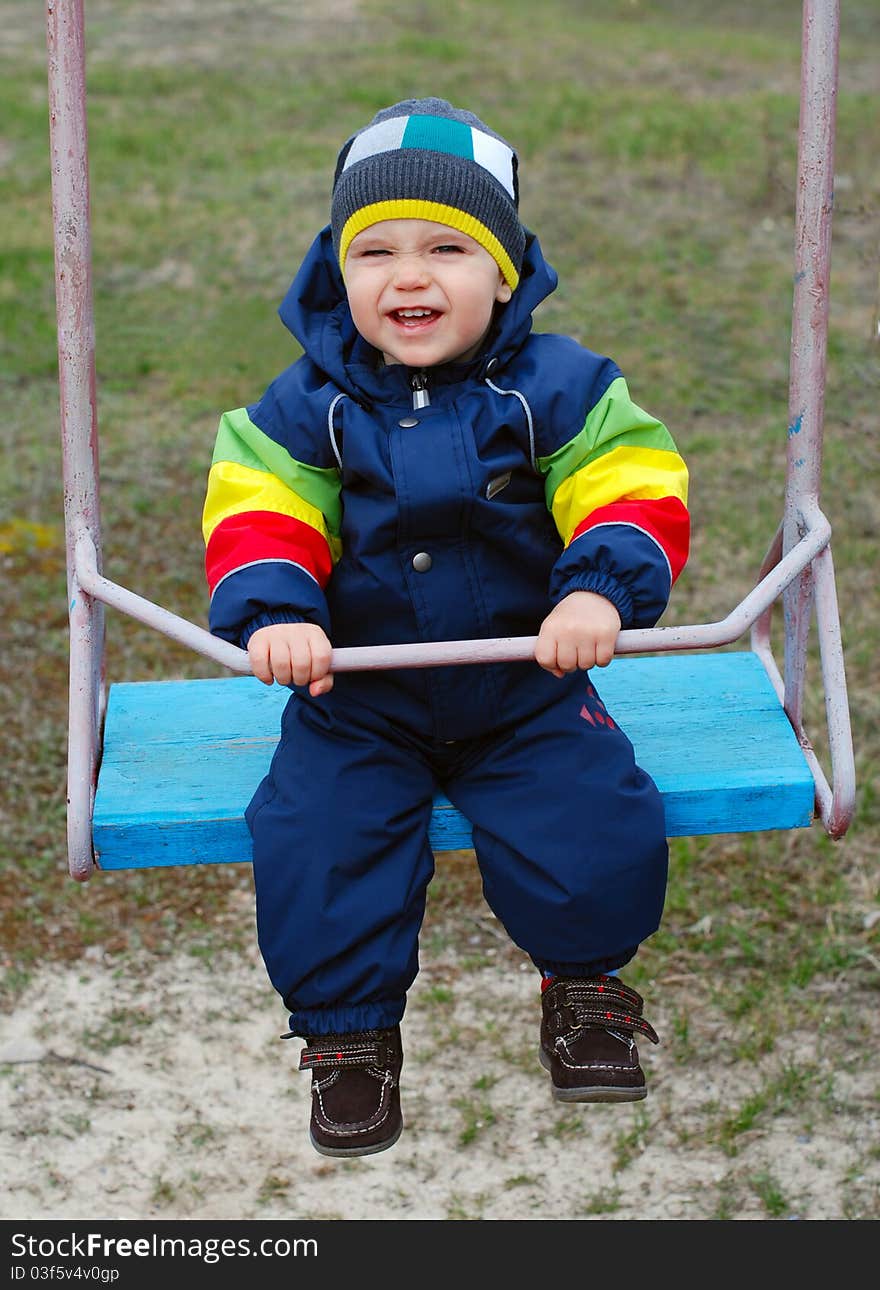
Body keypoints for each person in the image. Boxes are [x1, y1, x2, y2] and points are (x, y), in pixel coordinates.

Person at [202, 97, 690, 1158]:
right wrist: (279, 610)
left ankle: (588, 992)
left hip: (526, 684)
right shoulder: (306, 406)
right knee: (315, 839)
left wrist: (596, 590)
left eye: (445, 249)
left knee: (594, 817)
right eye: (372, 251)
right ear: (338, 274)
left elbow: (628, 480)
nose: (407, 276)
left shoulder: (558, 389)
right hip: (359, 698)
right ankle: (348, 1040)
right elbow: (259, 504)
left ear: (505, 271)